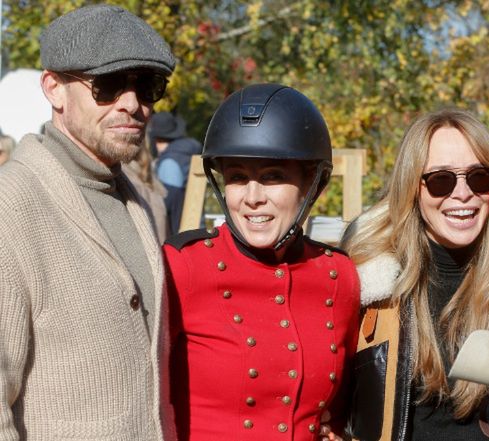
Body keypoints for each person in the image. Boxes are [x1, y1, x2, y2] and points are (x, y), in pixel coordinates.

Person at [0, 4, 176, 440]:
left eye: (148, 86)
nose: (132, 104)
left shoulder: (145, 204)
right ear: (54, 89)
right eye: (109, 85)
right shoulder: (11, 205)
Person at [342, 108, 489, 441]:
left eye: (479, 177)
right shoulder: (368, 276)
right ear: (412, 187)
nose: (462, 194)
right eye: (440, 180)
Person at [164, 83, 360, 440]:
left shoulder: (339, 274)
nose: (252, 198)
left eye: (273, 177)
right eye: (238, 178)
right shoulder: (182, 265)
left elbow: (342, 408)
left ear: (312, 185)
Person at [148, 111, 202, 235]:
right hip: (196, 223)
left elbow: (169, 203)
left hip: (178, 231)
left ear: (157, 140)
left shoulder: (169, 163)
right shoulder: (188, 153)